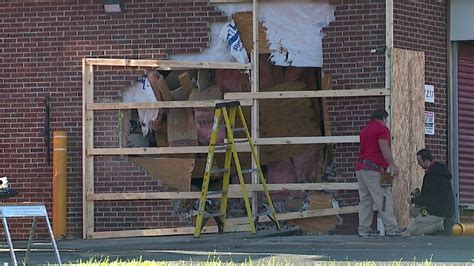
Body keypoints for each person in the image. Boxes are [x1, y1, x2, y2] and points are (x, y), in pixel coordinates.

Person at [355, 109, 406, 236]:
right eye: (386, 120)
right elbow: (384, 148)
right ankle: (391, 228)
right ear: (383, 118)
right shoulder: (382, 130)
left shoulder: (365, 130)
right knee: (383, 198)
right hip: (373, 169)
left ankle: (364, 229)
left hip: (361, 168)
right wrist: (393, 166)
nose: (386, 123)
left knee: (365, 200)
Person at [407, 148, 455, 236]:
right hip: (448, 211)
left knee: (412, 230)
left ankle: (440, 226)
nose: (418, 164)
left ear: (426, 161)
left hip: (436, 212)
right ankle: (439, 225)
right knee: (417, 216)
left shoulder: (430, 176)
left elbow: (428, 198)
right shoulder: (442, 171)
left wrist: (413, 200)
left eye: (419, 161)